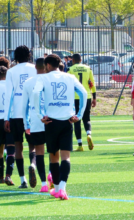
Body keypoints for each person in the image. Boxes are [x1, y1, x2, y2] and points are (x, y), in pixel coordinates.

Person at [33, 54, 87, 200]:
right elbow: (83, 92)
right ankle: (62, 188)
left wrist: (40, 115)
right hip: (67, 120)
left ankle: (56, 189)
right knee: (66, 157)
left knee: (53, 157)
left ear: (48, 66)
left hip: (50, 121)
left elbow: (36, 94)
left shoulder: (43, 78)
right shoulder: (69, 77)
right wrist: (79, 115)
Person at [4, 45, 37, 188]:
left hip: (16, 113)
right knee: (33, 146)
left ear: (15, 57)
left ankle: (23, 180)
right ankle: (33, 165)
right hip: (32, 113)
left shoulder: (11, 71)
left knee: (18, 146)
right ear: (29, 55)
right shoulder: (35, 68)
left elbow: (9, 95)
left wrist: (6, 118)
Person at [22, 58, 49, 192]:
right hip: (50, 119)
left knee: (39, 152)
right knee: (53, 150)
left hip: (35, 120)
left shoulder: (28, 83)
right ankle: (51, 176)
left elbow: (24, 106)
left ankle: (43, 184)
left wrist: (26, 123)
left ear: (35, 68)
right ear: (46, 66)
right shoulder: (50, 80)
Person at [68, 54, 96, 151]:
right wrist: (94, 97)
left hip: (75, 97)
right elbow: (92, 82)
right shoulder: (88, 68)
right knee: (87, 118)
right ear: (81, 59)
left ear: (73, 60)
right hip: (87, 96)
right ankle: (89, 134)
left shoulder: (70, 69)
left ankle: (80, 145)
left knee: (76, 120)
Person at [0, 66, 15, 185]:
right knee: (11, 147)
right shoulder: (11, 87)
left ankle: (0, 176)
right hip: (9, 119)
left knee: (0, 150)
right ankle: (8, 175)